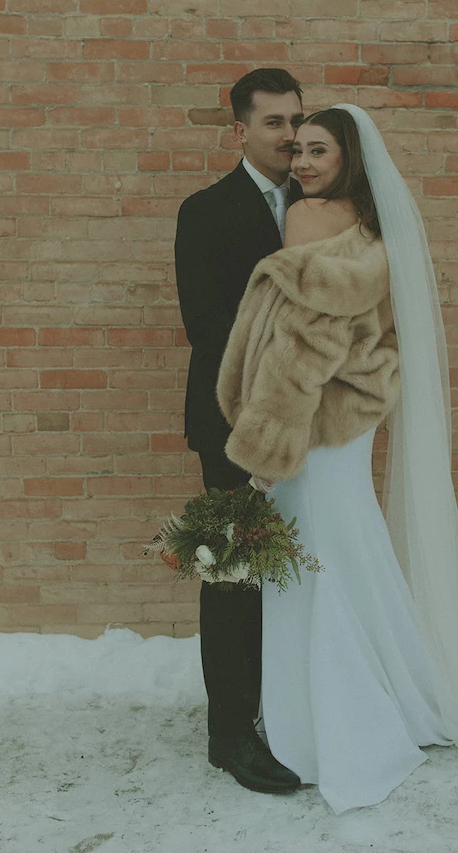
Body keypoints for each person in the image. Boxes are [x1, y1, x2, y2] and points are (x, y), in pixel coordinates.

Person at [217, 106, 458, 813]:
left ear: (348, 156)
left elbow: (302, 348)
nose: (302, 164)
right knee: (349, 546)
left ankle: (324, 727)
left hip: (311, 421)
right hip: (351, 420)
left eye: (317, 151)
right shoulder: (376, 226)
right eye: (297, 151)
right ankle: (402, 697)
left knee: (310, 562)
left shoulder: (307, 217)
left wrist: (266, 450)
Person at [174, 68, 304, 794]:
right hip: (234, 421)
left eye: (297, 120)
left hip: (314, 424)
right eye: (274, 122)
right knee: (233, 574)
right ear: (240, 131)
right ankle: (230, 735)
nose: (289, 135)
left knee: (303, 567)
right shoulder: (205, 211)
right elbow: (208, 325)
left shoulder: (323, 204)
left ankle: (296, 709)